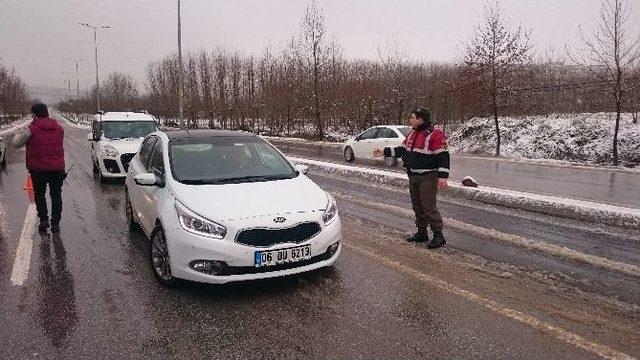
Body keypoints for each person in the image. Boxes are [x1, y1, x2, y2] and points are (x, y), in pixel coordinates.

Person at [373, 107, 450, 249]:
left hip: (428, 176)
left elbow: (443, 156)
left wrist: (443, 176)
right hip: (413, 176)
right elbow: (402, 150)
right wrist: (384, 151)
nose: (410, 120)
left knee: (429, 206)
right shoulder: (412, 134)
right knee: (417, 206)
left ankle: (438, 236)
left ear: (420, 119)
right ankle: (422, 232)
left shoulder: (435, 134)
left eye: (412, 117)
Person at [13, 103, 65, 233]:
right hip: (57, 169)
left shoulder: (31, 129)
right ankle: (55, 224)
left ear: (34, 115)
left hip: (38, 169)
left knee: (40, 195)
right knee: (56, 195)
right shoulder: (59, 128)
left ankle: (44, 220)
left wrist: (18, 132)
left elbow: (16, 143)